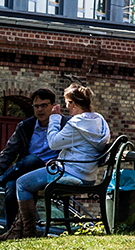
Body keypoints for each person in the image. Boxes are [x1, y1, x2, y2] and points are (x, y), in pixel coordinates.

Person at [5, 82, 110, 240]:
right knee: (17, 181)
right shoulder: (99, 121)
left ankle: (29, 233)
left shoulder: (75, 124)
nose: (67, 108)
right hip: (88, 175)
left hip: (71, 173)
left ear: (73, 103)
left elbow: (53, 142)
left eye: (67, 103)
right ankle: (17, 230)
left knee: (21, 184)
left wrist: (55, 118)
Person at [0, 90, 60, 231]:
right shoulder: (26, 127)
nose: (40, 109)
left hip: (50, 171)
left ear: (53, 105)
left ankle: (0, 180)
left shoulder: (63, 125)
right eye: (36, 106)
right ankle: (12, 231)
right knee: (11, 186)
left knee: (32, 160)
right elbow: (9, 152)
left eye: (44, 105)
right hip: (26, 172)